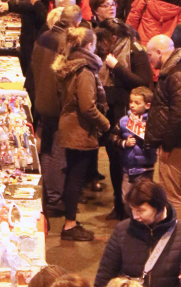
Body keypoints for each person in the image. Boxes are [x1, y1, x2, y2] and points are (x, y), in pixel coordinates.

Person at [53, 26, 110, 240]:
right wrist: (105, 123)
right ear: (88, 46)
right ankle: (70, 224)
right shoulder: (85, 70)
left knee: (73, 176)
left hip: (71, 126)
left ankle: (71, 221)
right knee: (76, 177)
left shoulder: (70, 65)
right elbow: (87, 106)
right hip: (79, 129)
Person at [96, 17, 153, 219]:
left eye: (103, 39)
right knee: (114, 157)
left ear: (113, 37)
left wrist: (117, 67)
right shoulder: (106, 51)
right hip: (111, 112)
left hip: (130, 115)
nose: (100, 44)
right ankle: (119, 206)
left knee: (131, 162)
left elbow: (143, 82)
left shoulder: (134, 51)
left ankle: (134, 208)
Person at [33, 5, 84, 217]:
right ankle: (54, 199)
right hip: (55, 103)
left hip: (41, 99)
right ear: (77, 24)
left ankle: (49, 194)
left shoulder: (44, 36)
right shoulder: (66, 43)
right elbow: (61, 76)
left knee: (47, 149)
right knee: (56, 152)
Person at [94, 179, 181, 287]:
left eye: (141, 210)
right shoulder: (122, 231)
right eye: (133, 209)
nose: (135, 216)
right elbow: (104, 275)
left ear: (158, 207)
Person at [145, 35, 181, 222]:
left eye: (150, 54)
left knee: (171, 194)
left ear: (160, 53)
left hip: (178, 144)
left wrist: (167, 146)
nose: (149, 59)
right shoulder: (177, 70)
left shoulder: (177, 73)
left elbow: (179, 115)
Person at [0, 0, 47, 97]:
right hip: (27, 34)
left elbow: (33, 9)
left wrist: (12, 5)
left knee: (33, 76)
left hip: (35, 37)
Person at [106, 87, 156, 208]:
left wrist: (149, 141)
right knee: (127, 198)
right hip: (128, 168)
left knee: (145, 198)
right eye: (131, 102)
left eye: (137, 103)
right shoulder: (124, 121)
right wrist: (123, 143)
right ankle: (129, 220)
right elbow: (112, 137)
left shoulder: (152, 122)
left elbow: (157, 139)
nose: (132, 105)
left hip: (146, 169)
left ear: (147, 105)